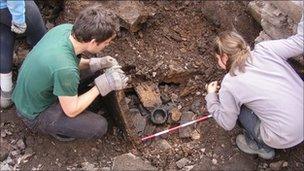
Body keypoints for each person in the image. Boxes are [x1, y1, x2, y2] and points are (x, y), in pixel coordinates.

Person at [12, 6, 128, 141]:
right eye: (106, 43)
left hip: (27, 94)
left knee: (93, 70)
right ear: (93, 42)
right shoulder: (66, 69)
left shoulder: (65, 30)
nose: (107, 45)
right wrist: (101, 86)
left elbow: (69, 61)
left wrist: (97, 63)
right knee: (100, 126)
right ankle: (58, 128)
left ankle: (67, 98)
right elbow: (71, 110)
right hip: (33, 113)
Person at [205, 15, 303, 159]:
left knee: (240, 112)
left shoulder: (230, 82)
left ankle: (261, 146)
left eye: (217, 58)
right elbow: (301, 42)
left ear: (224, 57)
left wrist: (211, 96)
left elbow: (227, 123)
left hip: (286, 136)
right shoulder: (266, 49)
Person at [0, 0, 46, 108]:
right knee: (41, 39)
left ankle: (5, 94)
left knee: (3, 40)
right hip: (13, 5)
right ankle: (35, 85)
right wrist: (19, 20)